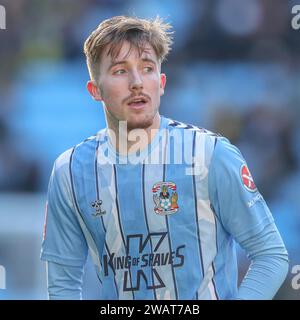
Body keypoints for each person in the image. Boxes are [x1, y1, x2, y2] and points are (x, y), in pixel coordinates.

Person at [40, 16, 289, 300]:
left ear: (161, 83)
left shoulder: (210, 155)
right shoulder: (69, 171)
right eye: (120, 71)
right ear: (95, 90)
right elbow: (62, 283)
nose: (137, 83)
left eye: (147, 69)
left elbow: (270, 255)